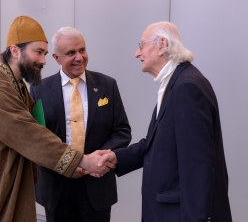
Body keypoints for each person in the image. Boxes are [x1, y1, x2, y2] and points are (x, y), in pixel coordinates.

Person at [0, 16, 113, 222]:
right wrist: (80, 161)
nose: (43, 61)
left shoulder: (16, 84)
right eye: (38, 52)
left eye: (45, 53)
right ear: (15, 50)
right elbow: (30, 134)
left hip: (12, 185)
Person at [98, 21, 232, 222]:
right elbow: (158, 143)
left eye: (141, 45)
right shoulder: (174, 83)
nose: (137, 53)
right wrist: (118, 157)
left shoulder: (187, 87)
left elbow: (198, 165)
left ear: (162, 44)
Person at [30, 27, 131, 222]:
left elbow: (122, 132)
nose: (79, 57)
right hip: (57, 187)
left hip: (97, 184)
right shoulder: (39, 91)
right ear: (56, 58)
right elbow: (36, 139)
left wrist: (97, 161)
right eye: (70, 53)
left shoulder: (107, 85)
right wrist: (66, 164)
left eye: (82, 50)